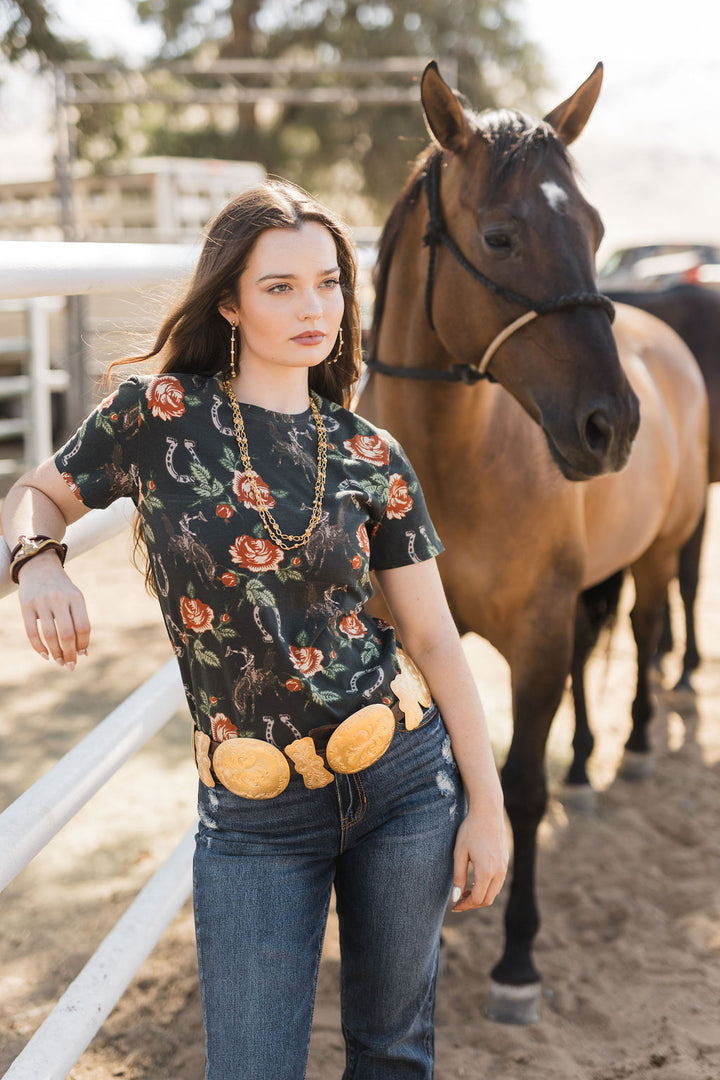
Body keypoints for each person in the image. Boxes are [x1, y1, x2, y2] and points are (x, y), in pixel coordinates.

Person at [2, 180, 508, 1079]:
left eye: (327, 283)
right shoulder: (155, 419)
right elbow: (36, 491)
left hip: (402, 784)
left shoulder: (369, 454)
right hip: (252, 816)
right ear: (229, 302)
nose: (312, 306)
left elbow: (434, 639)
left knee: (393, 1054)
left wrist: (490, 805)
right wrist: (38, 561)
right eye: (280, 286)